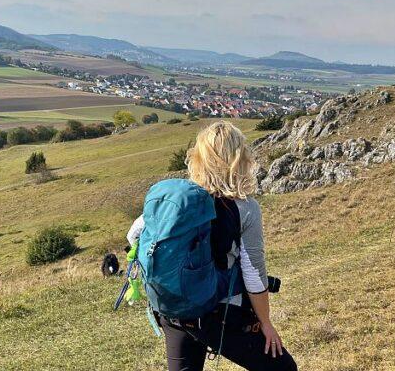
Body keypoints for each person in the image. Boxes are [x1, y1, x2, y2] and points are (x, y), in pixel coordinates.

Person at [126, 121, 297, 371]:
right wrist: (266, 323)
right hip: (217, 313)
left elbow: (134, 236)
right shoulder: (245, 208)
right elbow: (253, 274)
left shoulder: (177, 203)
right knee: (283, 369)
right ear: (239, 159)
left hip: (173, 310)